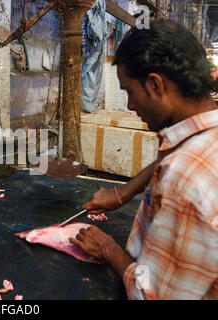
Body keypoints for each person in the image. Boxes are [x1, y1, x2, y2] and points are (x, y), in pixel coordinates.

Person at [70, 20, 218, 299]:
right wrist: (123, 192)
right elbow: (177, 150)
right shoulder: (205, 128)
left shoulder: (184, 182)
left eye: (129, 91)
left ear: (155, 84)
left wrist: (107, 249)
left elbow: (153, 295)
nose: (129, 105)